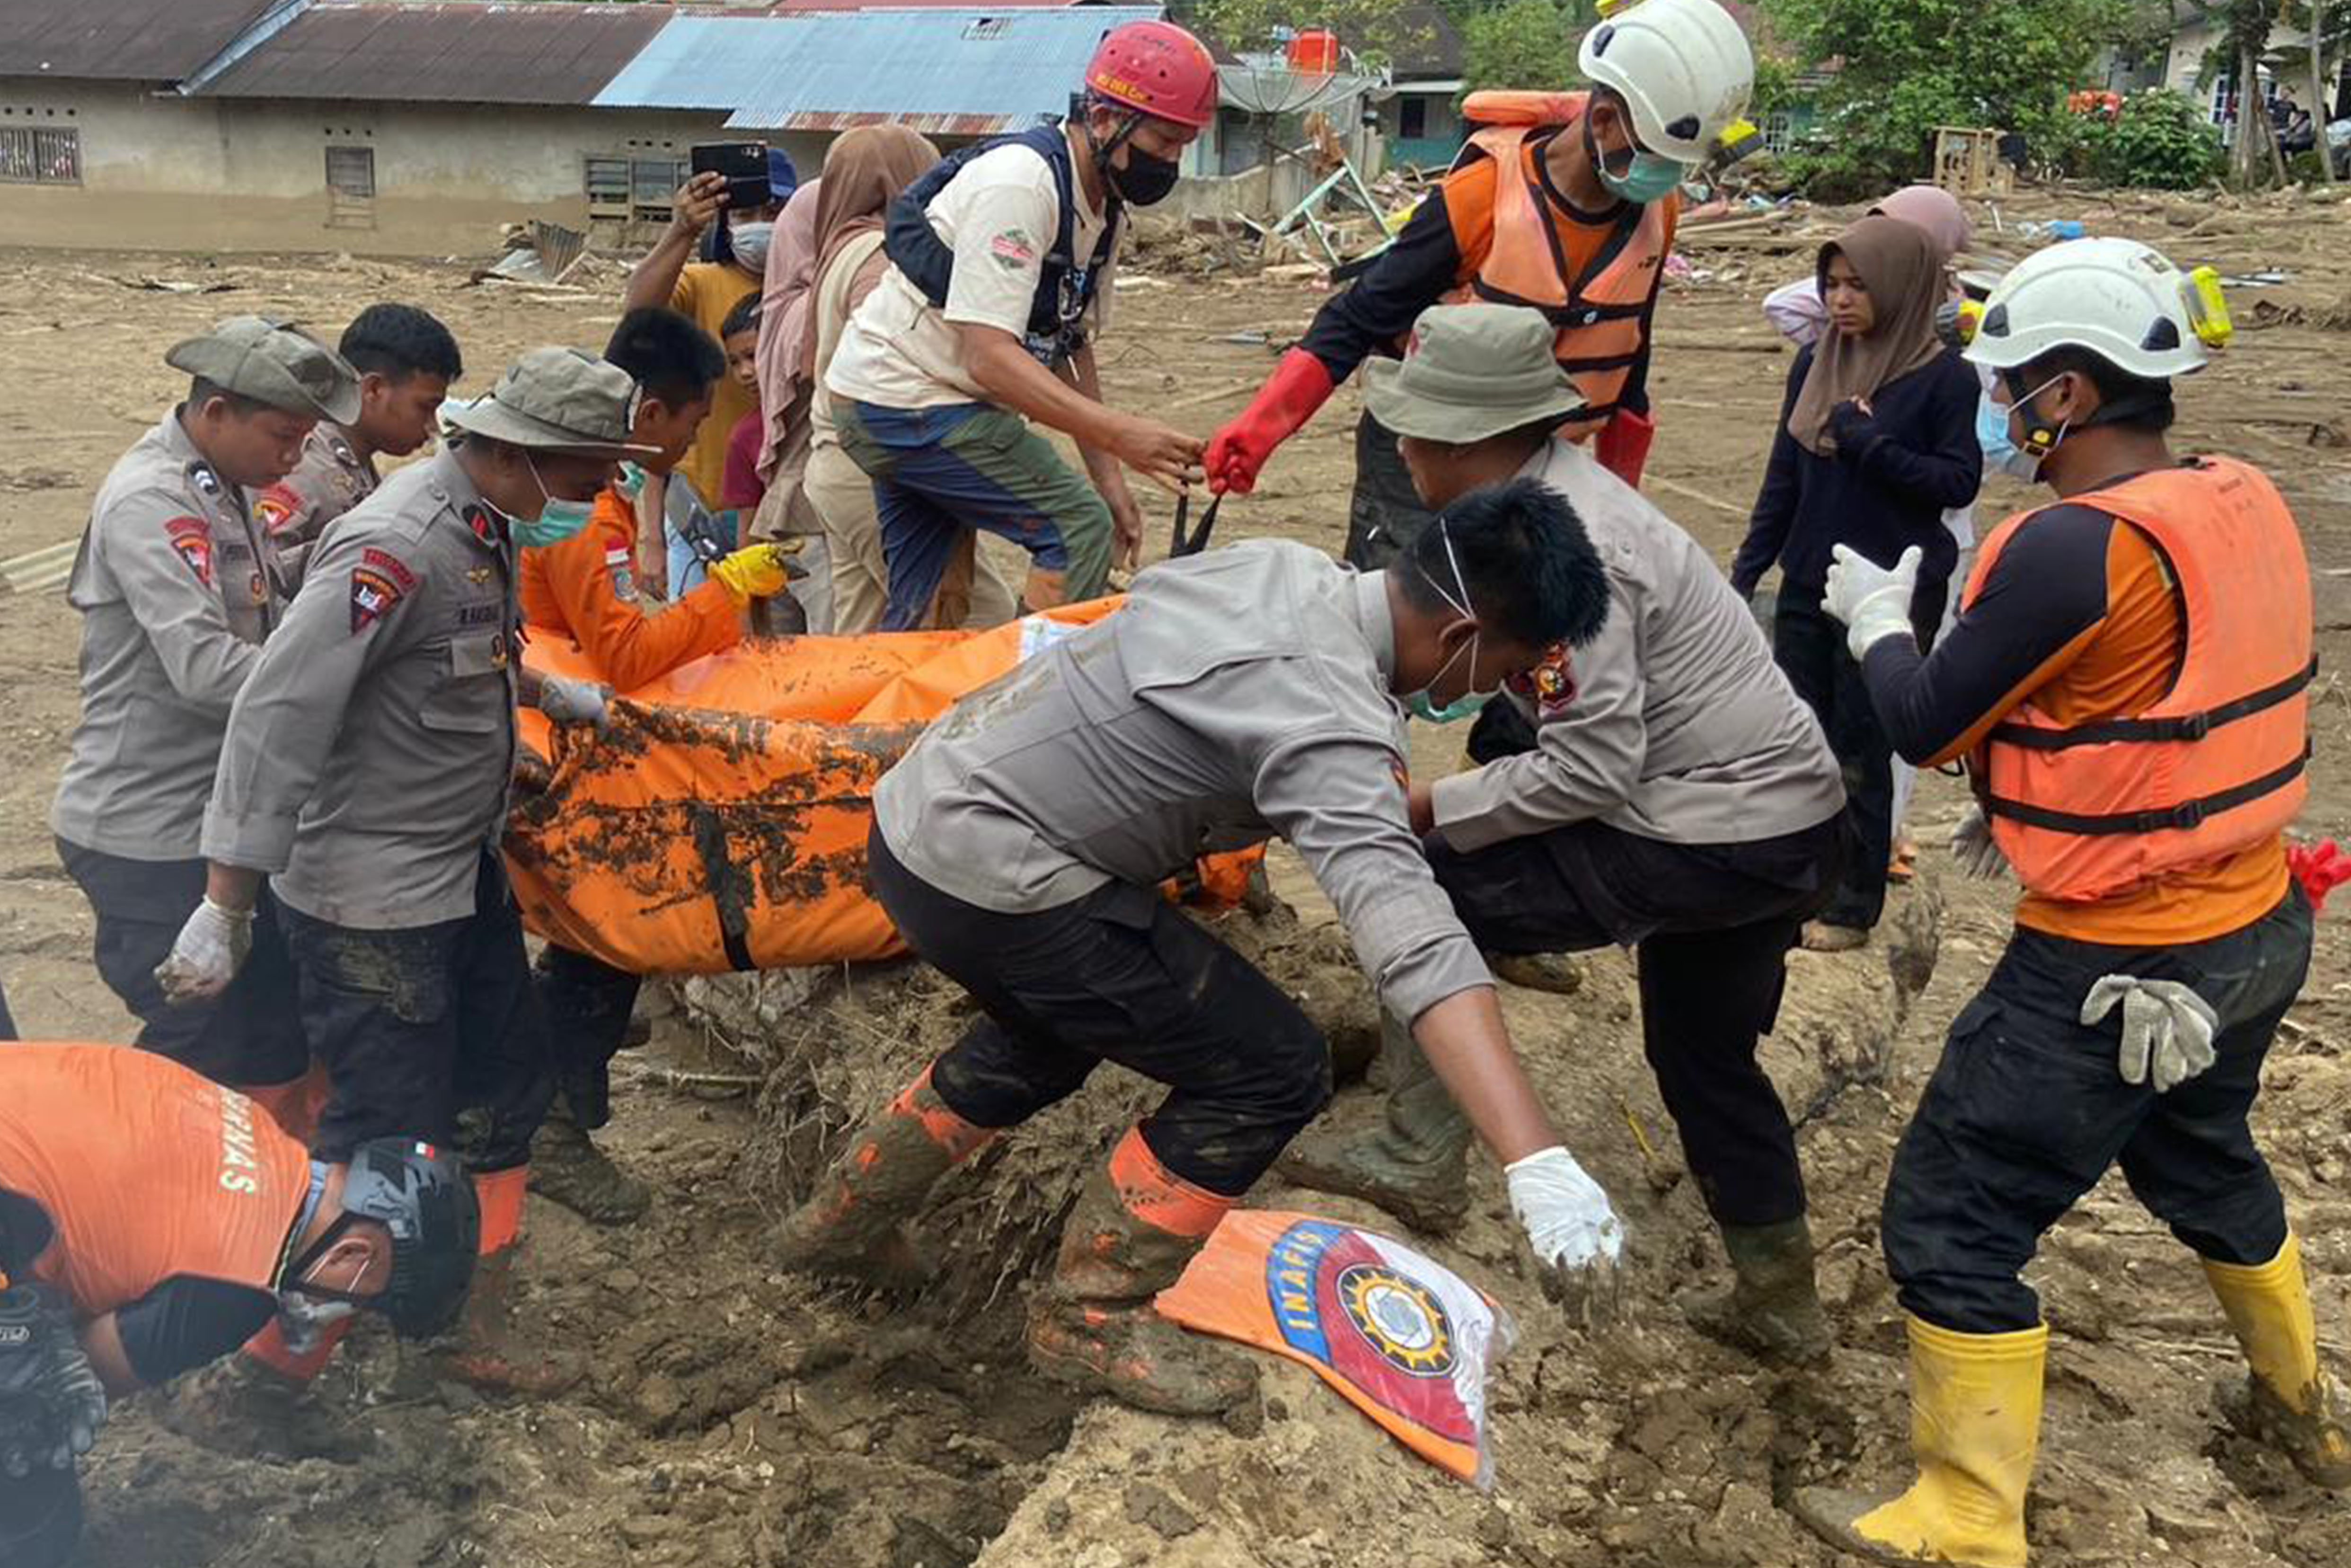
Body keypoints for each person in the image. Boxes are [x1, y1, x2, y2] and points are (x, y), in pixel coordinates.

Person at [778, 479, 1626, 1416]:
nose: (1490, 691)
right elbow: (1412, 938)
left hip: (916, 820)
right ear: (1463, 634)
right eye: (1505, 667)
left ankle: (841, 1221)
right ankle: (1090, 1317)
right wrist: (1533, 1156)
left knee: (1053, 1030)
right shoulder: (1332, 723)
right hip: (998, 876)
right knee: (1272, 1068)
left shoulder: (1284, 569)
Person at [1792, 238, 2349, 1565]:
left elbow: (1926, 721)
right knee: (2199, 1153)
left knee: (1952, 1212)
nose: (1997, 408)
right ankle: (2300, 1409)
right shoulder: (2237, 495)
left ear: (2070, 394)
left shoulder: (2072, 547)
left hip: (2115, 963)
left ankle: (1968, 1513)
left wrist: (1876, 622)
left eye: (2009, 387)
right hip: (2253, 923)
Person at [1277, 305, 1849, 1363]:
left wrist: (1425, 807)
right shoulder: (1549, 504)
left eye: (1414, 436)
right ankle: (1779, 1293)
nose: (1401, 453)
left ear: (1470, 441)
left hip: (1707, 829)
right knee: (1702, 1057)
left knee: (1426, 886)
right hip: (1789, 818)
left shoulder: (1571, 549)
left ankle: (1418, 1149)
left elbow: (1592, 768)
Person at [159, 348, 649, 1394]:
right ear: (519, 454)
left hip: (458, 873)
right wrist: (225, 900)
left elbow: (463, 657)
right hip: (372, 905)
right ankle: (273, 1371)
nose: (601, 490)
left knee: (504, 1091)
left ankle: (465, 1319)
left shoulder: (485, 523)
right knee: (386, 1142)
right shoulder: (395, 544)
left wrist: (544, 697)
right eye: (588, 472)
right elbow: (277, 714)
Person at [1205, 0, 1754, 565]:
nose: (1666, 176)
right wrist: (1258, 431)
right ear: (1605, 120)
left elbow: (1630, 352)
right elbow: (1358, 317)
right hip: (1428, 450)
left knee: (1515, 606)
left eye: (1677, 163)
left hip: (1539, 456)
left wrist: (1621, 497)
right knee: (1410, 596)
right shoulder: (1482, 197)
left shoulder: (1657, 213)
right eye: (1656, 156)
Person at [517, 310, 794, 1224]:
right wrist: (724, 594)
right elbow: (625, 652)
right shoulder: (578, 513)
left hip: (560, 722)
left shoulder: (597, 493)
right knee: (611, 924)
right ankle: (555, 1124)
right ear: (649, 412)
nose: (691, 439)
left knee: (592, 932)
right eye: (691, 419)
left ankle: (552, 1084)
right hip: (558, 739)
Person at [51, 317, 361, 1127]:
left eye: (305, 438)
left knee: (267, 1033)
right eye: (284, 436)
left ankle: (247, 1179)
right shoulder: (153, 500)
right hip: (147, 828)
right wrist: (341, 697)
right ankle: (86, 1166)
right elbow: (206, 667)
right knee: (197, 1036)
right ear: (218, 411)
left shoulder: (223, 485)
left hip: (214, 814)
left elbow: (271, 616)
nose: (295, 456)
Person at [0, 1043, 476, 1568]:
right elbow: (92, 1370)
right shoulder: (237, 1290)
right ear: (353, 1254)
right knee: (36, 1461)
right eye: (364, 1301)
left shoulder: (250, 1123)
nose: (347, 1312)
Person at [826, 18, 1215, 630]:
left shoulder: (1103, 208)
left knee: (927, 603)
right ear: (1106, 119)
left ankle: (911, 687)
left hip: (894, 398)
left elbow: (1068, 341)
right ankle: (1033, 684)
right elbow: (989, 358)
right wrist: (1121, 435)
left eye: (1183, 145)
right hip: (908, 400)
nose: (1171, 161)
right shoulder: (1021, 185)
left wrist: (1110, 477)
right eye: (1164, 141)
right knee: (1077, 529)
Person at [1730, 214, 1982, 951]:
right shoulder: (1817, 363)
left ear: (1901, 290)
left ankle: (1851, 905)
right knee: (1799, 739)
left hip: (1887, 593)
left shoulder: (1944, 377)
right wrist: (1748, 569)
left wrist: (1869, 442)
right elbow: (1784, 476)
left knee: (1861, 747)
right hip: (1811, 579)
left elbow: (1956, 481)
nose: (1841, 301)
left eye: (1859, 287)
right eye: (1832, 285)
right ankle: (1797, 883)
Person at [801, 126, 1017, 634]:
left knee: (863, 632)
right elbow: (891, 366)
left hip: (835, 464)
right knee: (974, 622)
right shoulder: (885, 256)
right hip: (881, 470)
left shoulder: (840, 247)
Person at [624, 149, 791, 523]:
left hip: (788, 508)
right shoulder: (698, 285)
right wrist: (682, 230)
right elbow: (639, 317)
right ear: (725, 224)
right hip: (706, 504)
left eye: (773, 213)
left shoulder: (813, 285)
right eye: (744, 215)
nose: (760, 225)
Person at [255, 303, 463, 594]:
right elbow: (260, 578)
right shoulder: (306, 467)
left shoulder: (355, 462)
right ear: (373, 389)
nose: (432, 427)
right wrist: (356, 553)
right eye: (425, 408)